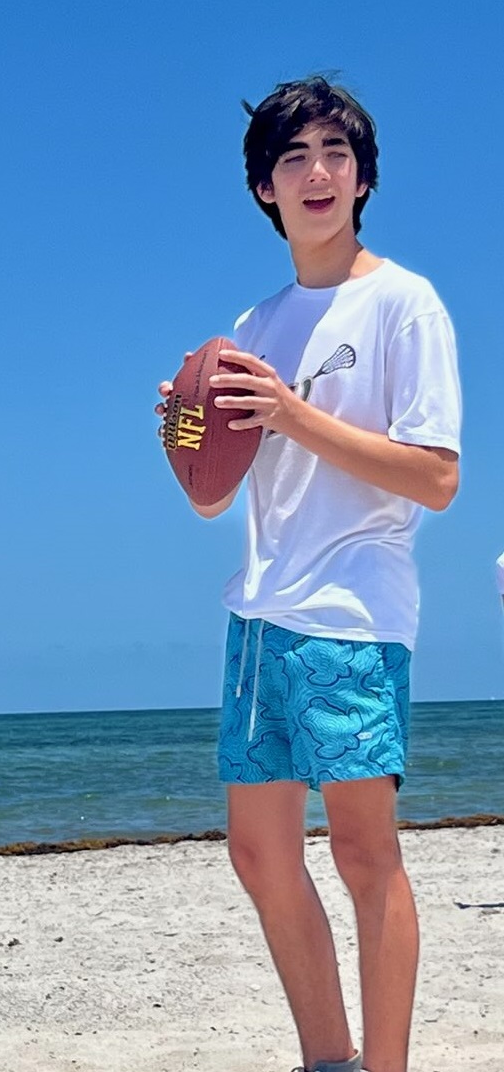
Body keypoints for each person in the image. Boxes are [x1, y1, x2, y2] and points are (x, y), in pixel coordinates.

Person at [155, 76, 461, 1072]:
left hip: (353, 615)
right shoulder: (252, 322)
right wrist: (186, 434)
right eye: (294, 158)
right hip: (258, 617)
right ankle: (327, 1060)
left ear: (362, 176)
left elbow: (437, 475)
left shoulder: (404, 304)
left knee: (367, 854)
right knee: (258, 855)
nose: (317, 172)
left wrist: (293, 415)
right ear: (264, 191)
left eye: (335, 152)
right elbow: (215, 501)